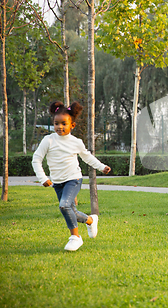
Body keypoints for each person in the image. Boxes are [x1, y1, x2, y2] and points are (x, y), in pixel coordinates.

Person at [32, 101, 111, 251]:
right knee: (71, 210)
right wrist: (43, 178)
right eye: (56, 123)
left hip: (73, 179)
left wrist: (102, 167)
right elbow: (36, 159)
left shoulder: (76, 142)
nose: (59, 127)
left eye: (63, 123)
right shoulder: (48, 140)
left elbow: (87, 157)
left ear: (72, 125)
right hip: (57, 182)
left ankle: (75, 237)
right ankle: (90, 220)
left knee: (64, 205)